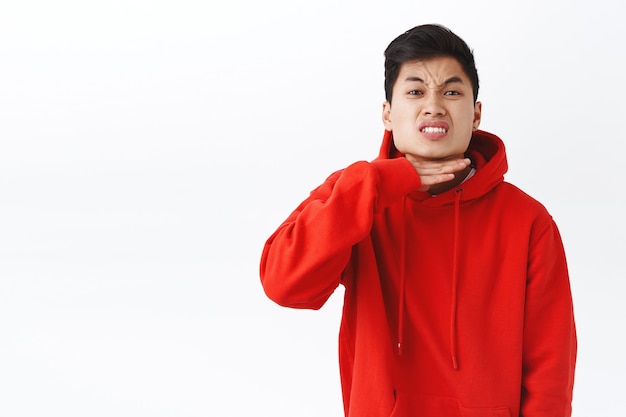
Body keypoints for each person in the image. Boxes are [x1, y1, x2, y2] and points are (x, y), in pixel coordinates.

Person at [260, 23, 576, 417]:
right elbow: (284, 284)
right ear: (388, 114)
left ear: (476, 114)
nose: (434, 105)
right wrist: (377, 183)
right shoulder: (355, 195)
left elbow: (550, 367)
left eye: (452, 92)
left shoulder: (529, 220)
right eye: (415, 91)